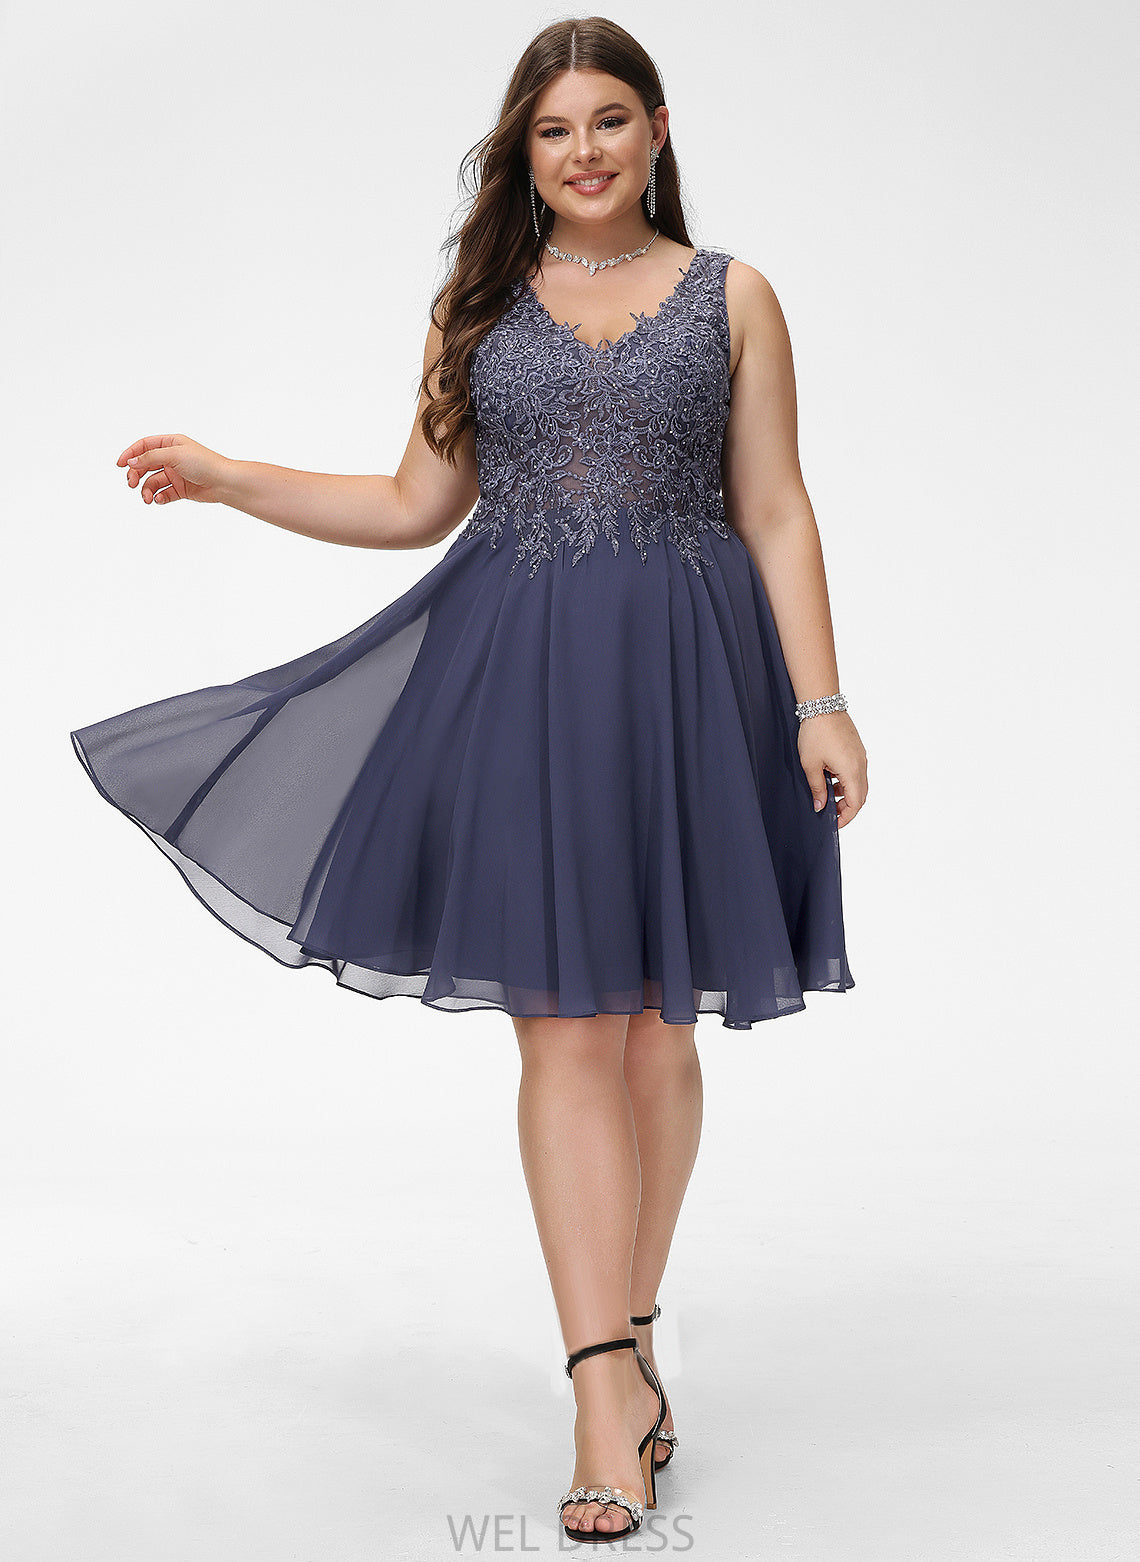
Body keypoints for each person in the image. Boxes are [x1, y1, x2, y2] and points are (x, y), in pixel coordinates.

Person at [70, 15, 868, 1545]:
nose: (584, 151)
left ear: (656, 130)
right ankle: (598, 1389)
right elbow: (413, 502)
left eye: (610, 121)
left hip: (691, 680)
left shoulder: (735, 295)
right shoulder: (480, 308)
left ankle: (634, 1331)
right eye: (555, 130)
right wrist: (230, 476)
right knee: (562, 1029)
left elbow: (774, 506)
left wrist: (822, 701)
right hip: (524, 685)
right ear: (524, 151)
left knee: (658, 1032)